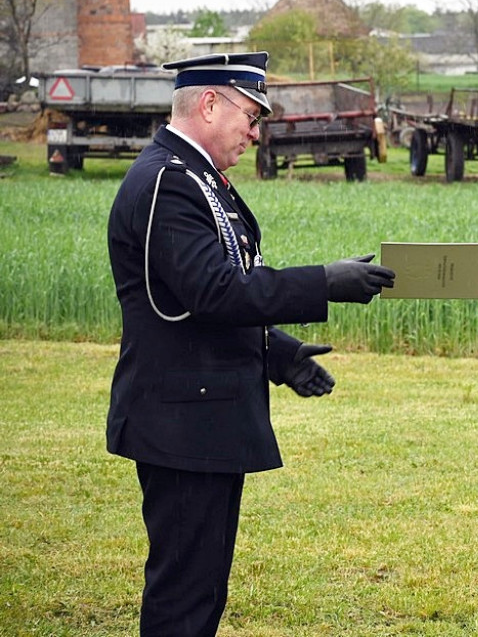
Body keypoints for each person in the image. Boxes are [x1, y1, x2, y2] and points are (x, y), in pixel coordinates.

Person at [106, 51, 395, 636]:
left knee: (204, 582)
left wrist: (277, 353)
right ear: (209, 103)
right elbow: (212, 292)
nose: (254, 132)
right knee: (185, 591)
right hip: (181, 423)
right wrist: (325, 282)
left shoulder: (194, 178)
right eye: (251, 115)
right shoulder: (170, 182)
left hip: (199, 415)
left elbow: (208, 296)